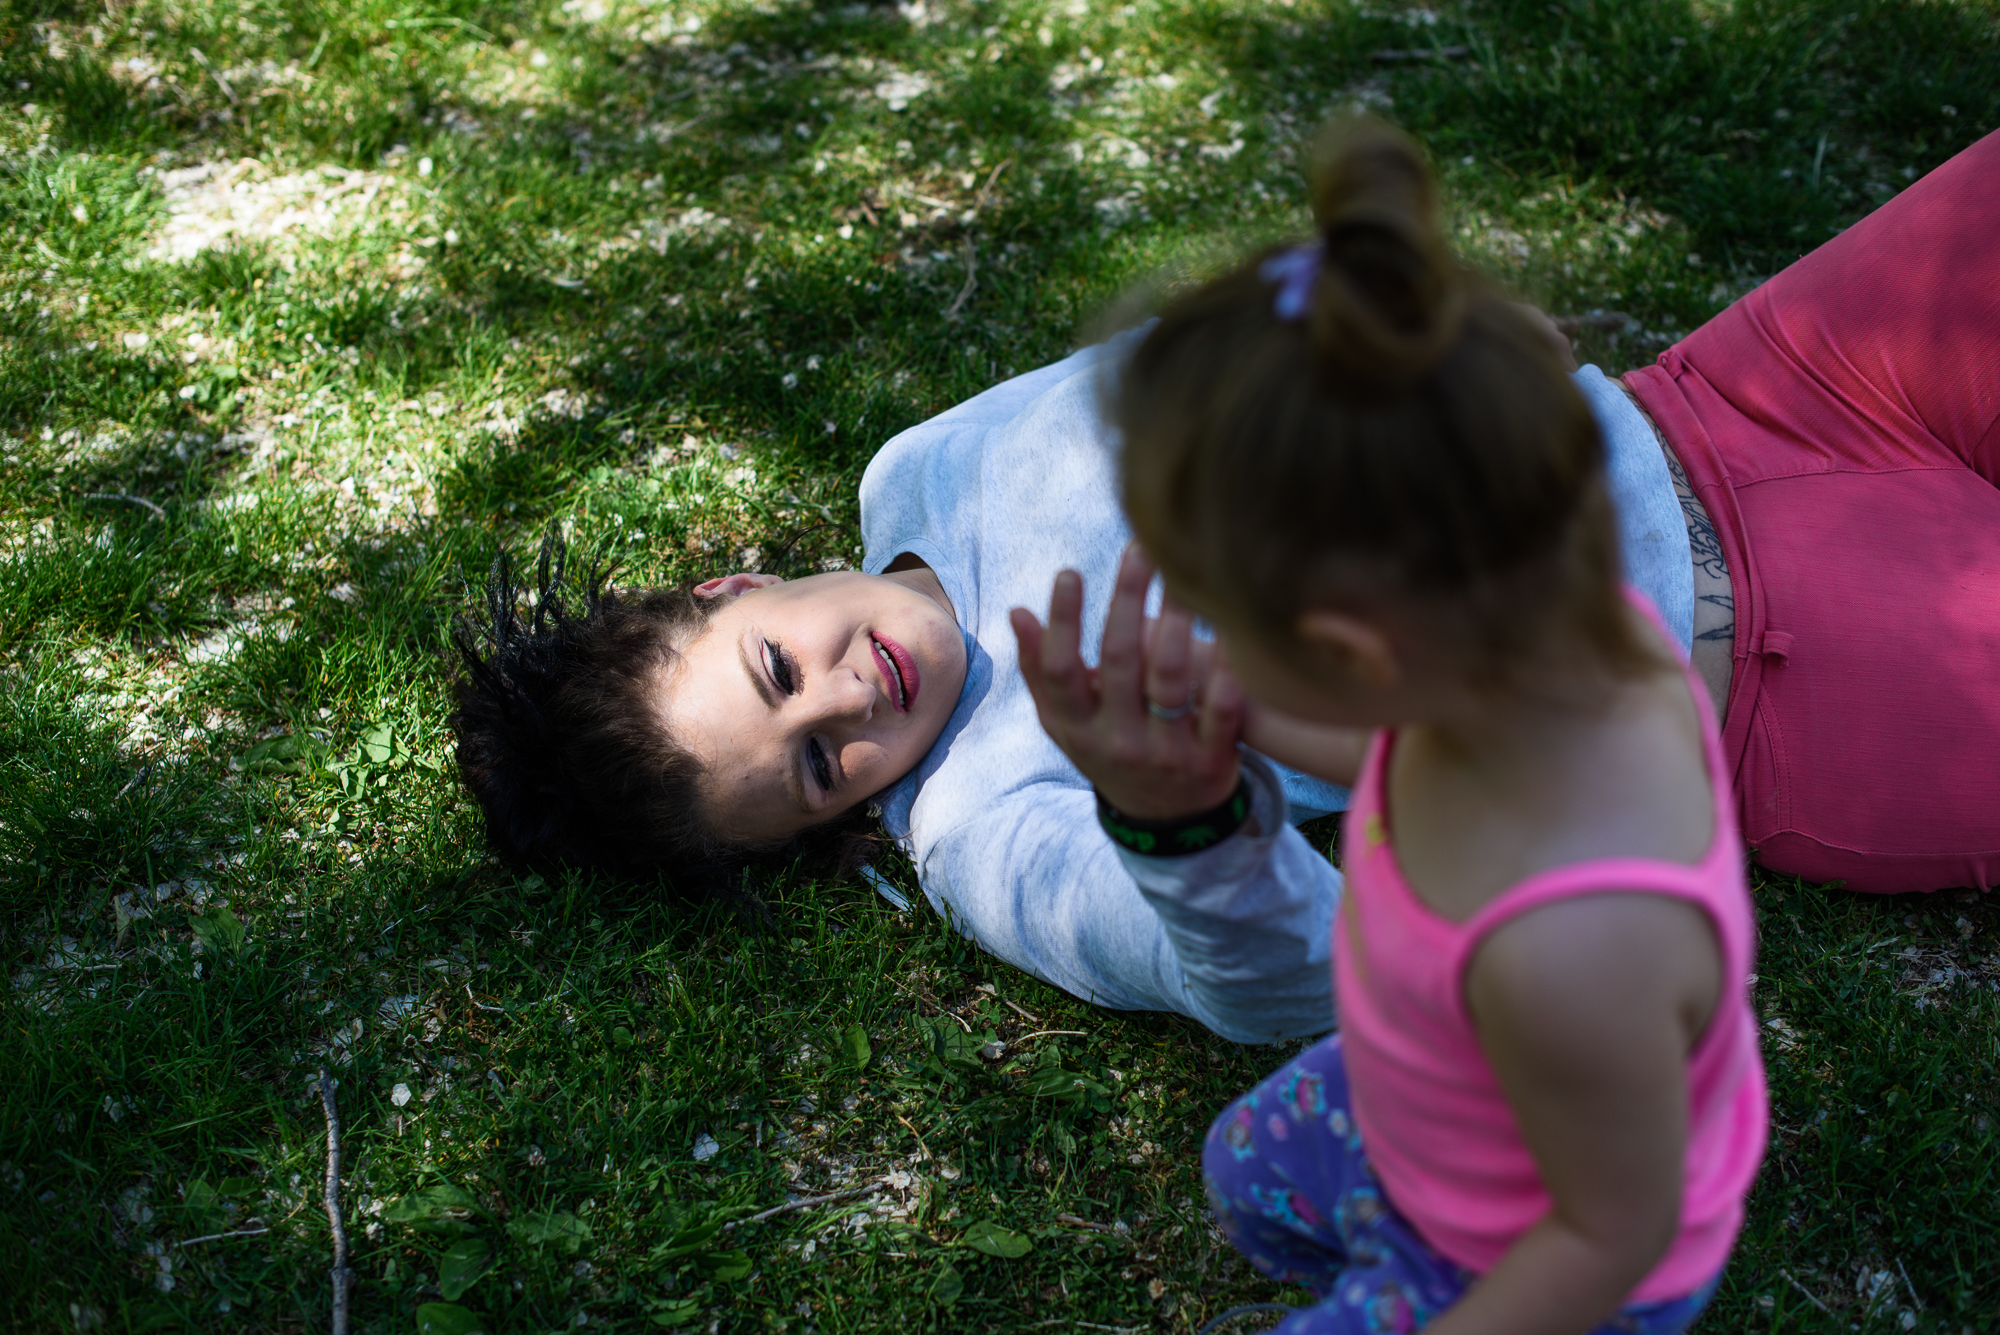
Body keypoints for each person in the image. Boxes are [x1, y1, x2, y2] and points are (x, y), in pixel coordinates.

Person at [451, 126, 1999, 1041]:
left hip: (1743, 394)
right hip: (1769, 672)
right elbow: (1273, 985)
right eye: (813, 771)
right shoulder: (990, 833)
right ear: (837, 821)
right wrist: (1178, 814)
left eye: (781, 673)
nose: (854, 698)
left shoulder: (913, 468)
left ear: (736, 583)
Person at [1019, 116, 1764, 1335]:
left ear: (1357, 656)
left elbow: (1610, 1232)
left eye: (1221, 618)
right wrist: (1214, 722)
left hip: (1523, 1252)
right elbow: (1393, 753)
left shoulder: (1572, 947)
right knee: (1241, 1176)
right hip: (1448, 1102)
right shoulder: (1539, 651)